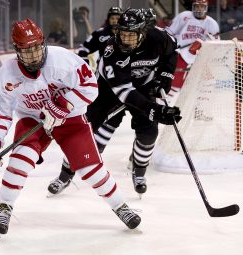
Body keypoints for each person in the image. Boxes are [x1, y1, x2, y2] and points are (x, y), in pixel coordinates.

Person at [0, 18, 142, 238]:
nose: (34, 56)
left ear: (43, 43)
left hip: (70, 119)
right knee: (21, 159)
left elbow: (90, 88)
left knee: (91, 168)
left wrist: (62, 106)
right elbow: (0, 111)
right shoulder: (5, 75)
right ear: (17, 51)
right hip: (33, 120)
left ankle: (120, 206)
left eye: (37, 48)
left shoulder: (63, 60)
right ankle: (5, 207)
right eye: (27, 52)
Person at [47, 9, 181, 198]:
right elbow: (125, 92)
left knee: (149, 132)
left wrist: (166, 75)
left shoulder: (159, 37)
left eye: (131, 35)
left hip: (144, 87)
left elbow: (172, 52)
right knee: (86, 132)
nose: (125, 39)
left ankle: (139, 171)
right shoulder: (112, 52)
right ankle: (65, 174)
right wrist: (155, 110)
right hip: (109, 91)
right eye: (123, 33)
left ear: (143, 32)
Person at [165, 0, 219, 89]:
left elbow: (215, 45)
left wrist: (204, 44)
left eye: (202, 6)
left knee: (195, 86)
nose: (199, 9)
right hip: (180, 54)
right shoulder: (184, 16)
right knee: (173, 85)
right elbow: (169, 32)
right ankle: (170, 101)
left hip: (199, 58)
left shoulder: (212, 23)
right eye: (197, 6)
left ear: (206, 8)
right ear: (193, 7)